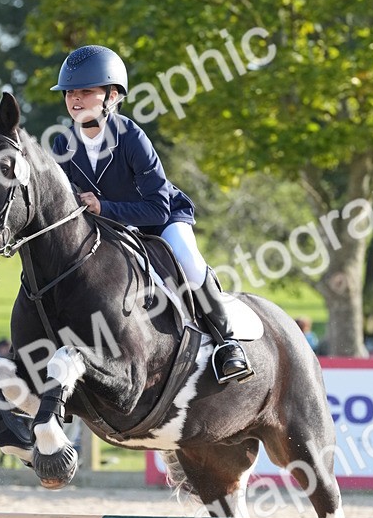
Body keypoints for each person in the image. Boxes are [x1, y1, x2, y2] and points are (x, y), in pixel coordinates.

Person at [50, 44, 251, 383]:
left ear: (112, 95)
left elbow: (157, 205)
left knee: (187, 259)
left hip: (161, 219)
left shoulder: (131, 138)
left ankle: (227, 343)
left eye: (87, 91)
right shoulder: (61, 144)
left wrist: (104, 207)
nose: (76, 99)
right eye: (70, 92)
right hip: (108, 228)